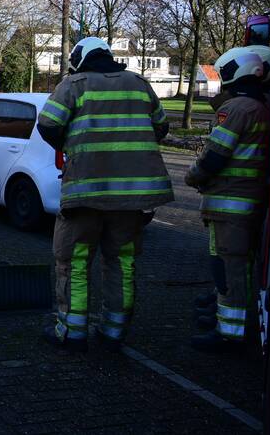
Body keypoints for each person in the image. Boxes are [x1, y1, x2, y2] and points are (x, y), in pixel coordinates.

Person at [37, 37, 172, 352]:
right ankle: (114, 331)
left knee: (75, 262)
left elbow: (48, 125)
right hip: (131, 199)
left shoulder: (74, 84)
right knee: (122, 262)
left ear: (79, 59)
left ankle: (72, 332)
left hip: (86, 194)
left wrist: (71, 147)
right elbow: (161, 127)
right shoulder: (140, 84)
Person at [185, 47, 270, 352]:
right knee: (238, 267)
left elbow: (215, 156)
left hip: (231, 202)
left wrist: (193, 176)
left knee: (229, 268)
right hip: (246, 202)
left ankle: (229, 334)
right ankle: (230, 323)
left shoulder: (237, 109)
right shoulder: (260, 107)